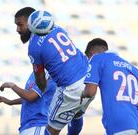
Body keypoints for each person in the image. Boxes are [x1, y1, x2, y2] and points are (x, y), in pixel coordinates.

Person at [14, 7, 85, 135]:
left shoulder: (34, 47)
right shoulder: (58, 28)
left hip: (70, 87)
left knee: (50, 130)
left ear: (31, 23)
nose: (18, 30)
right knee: (77, 115)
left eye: (20, 25)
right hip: (86, 76)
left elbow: (41, 86)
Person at [81, 38, 138, 135]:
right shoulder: (133, 69)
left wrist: (82, 94)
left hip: (117, 126)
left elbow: (90, 92)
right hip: (134, 126)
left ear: (91, 53)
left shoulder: (97, 58)